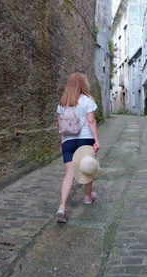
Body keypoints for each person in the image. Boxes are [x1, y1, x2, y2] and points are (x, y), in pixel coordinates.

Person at [56, 73, 100, 223]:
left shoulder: (63, 102)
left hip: (68, 140)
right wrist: (96, 140)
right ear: (84, 84)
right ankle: (88, 197)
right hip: (85, 139)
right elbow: (91, 120)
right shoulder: (87, 100)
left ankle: (62, 207)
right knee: (88, 167)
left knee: (69, 174)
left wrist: (61, 142)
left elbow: (59, 125)